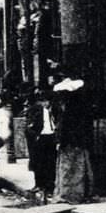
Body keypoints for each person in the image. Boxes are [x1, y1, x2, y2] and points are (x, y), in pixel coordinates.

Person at [53, 72, 94, 204]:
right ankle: (78, 193)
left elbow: (66, 127)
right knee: (78, 168)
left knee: (69, 169)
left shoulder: (69, 109)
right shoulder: (78, 107)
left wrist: (61, 140)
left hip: (71, 142)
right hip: (78, 141)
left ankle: (70, 194)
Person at [23, 86, 57, 202]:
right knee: (38, 162)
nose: (45, 104)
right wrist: (35, 136)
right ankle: (39, 184)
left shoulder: (55, 110)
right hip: (40, 138)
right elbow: (28, 126)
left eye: (47, 101)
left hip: (51, 137)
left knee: (51, 163)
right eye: (43, 101)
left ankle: (50, 186)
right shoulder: (35, 110)